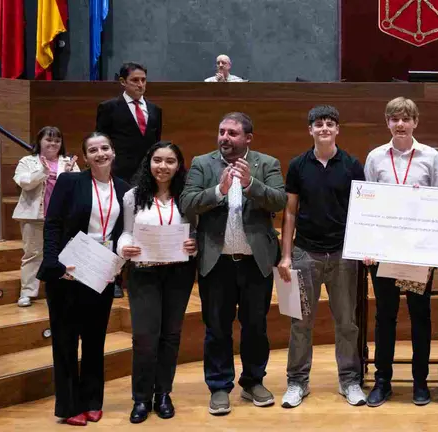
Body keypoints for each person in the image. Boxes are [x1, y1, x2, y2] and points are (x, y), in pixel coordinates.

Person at [179, 112, 287, 415]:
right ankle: (219, 386)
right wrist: (220, 191)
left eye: (232, 133)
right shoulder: (203, 163)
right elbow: (187, 202)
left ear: (248, 139)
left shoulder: (266, 164)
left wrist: (251, 183)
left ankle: (253, 381)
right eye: (221, 131)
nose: (225, 137)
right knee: (217, 329)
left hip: (256, 263)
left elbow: (279, 201)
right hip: (217, 262)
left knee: (256, 327)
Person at [37, 132, 130, 426]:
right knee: (65, 342)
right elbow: (52, 225)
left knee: (94, 340)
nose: (100, 153)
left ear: (113, 152)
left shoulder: (125, 189)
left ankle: (92, 399)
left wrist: (119, 265)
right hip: (68, 271)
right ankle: (68, 405)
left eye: (105, 147)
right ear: (85, 157)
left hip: (100, 271)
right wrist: (55, 264)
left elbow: (123, 233)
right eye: (93, 150)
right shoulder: (70, 182)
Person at [276, 105, 366, 408]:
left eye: (330, 124)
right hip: (305, 253)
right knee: (300, 323)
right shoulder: (298, 165)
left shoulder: (353, 165)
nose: (324, 128)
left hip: (343, 254)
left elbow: (362, 211)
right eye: (318, 124)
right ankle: (297, 382)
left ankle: (350, 380)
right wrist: (286, 256)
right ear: (310, 129)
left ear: (338, 129)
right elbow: (290, 211)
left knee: (347, 323)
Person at [363, 96, 438, 407]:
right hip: (384, 252)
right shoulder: (374, 157)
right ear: (387, 122)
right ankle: (382, 381)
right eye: (394, 119)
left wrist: (434, 248)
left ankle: (420, 382)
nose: (400, 124)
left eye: (405, 119)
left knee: (419, 316)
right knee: (385, 317)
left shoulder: (430, 156)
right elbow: (366, 204)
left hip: (417, 253)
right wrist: (367, 245)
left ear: (415, 122)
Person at [116, 142, 198, 423]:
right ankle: (141, 398)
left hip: (179, 274)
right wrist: (124, 247)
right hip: (144, 273)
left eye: (170, 161)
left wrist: (193, 244)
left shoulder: (187, 197)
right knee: (144, 337)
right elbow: (126, 233)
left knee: (171, 336)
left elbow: (196, 234)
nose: (163, 166)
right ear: (148, 163)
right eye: (157, 160)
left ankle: (163, 393)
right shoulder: (132, 196)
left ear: (179, 166)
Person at [96, 61, 163, 298]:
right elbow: (101, 143)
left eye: (144, 80)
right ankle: (114, 276)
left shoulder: (155, 110)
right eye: (135, 80)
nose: (140, 85)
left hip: (146, 177)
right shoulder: (109, 108)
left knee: (145, 221)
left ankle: (144, 268)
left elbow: (156, 146)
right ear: (122, 82)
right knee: (116, 226)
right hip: (119, 176)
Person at [12, 126, 79, 307]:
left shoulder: (68, 162)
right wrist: (43, 171)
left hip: (62, 218)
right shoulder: (28, 161)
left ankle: (60, 291)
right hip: (34, 215)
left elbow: (78, 188)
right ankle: (28, 292)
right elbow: (24, 183)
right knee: (33, 254)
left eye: (57, 140)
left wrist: (70, 174)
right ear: (39, 141)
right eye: (49, 140)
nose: (53, 143)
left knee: (63, 254)